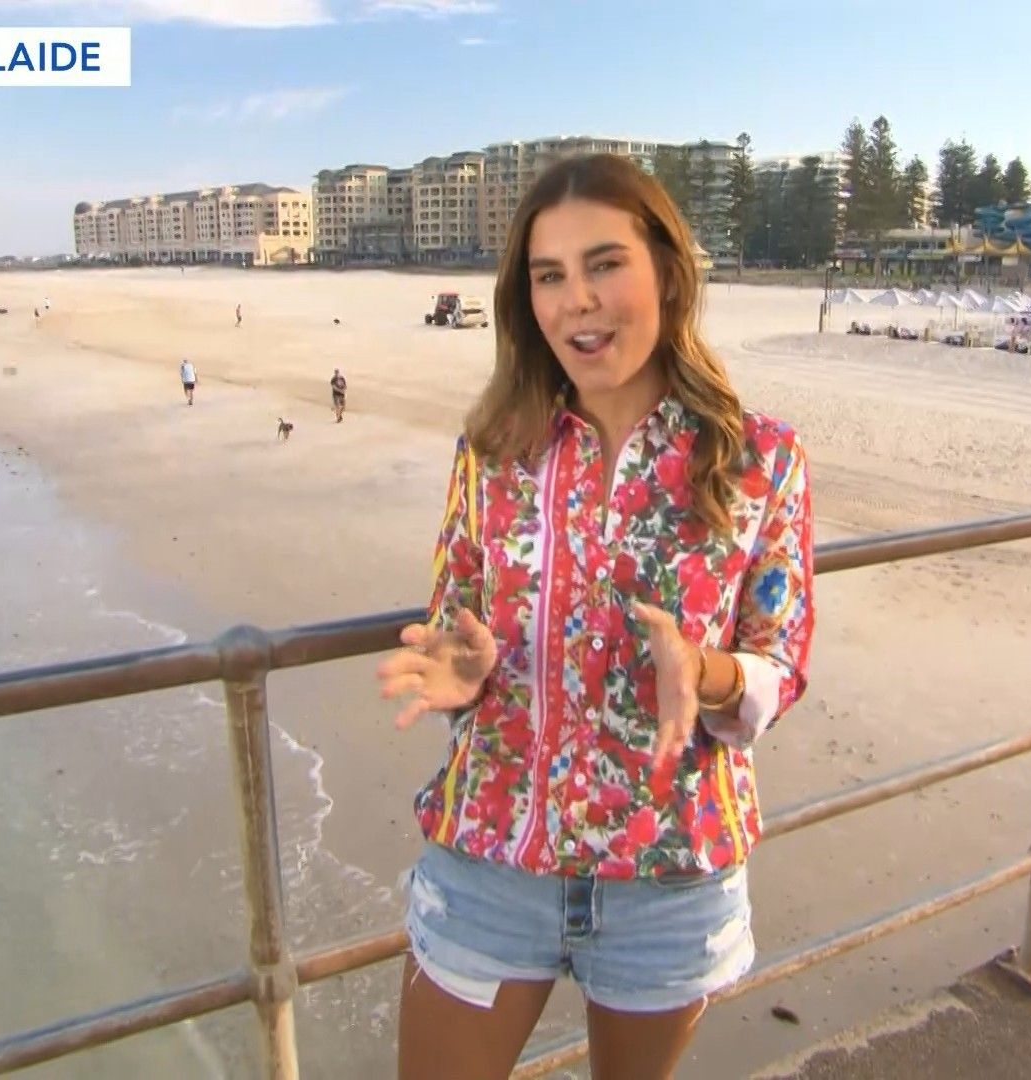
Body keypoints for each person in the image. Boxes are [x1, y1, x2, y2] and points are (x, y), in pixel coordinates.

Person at [373, 153, 814, 1080]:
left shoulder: (760, 460)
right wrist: (461, 664)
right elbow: (455, 612)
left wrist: (705, 672)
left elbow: (778, 663)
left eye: (605, 264)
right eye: (549, 275)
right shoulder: (491, 451)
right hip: (491, 854)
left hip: (670, 873)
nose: (577, 300)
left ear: (668, 273)